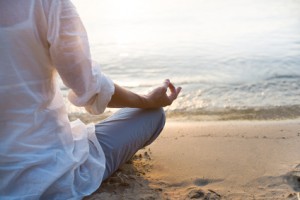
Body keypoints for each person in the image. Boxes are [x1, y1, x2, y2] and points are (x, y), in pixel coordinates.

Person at [0, 0, 181, 199]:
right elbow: (89, 89)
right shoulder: (47, 4)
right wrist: (147, 100)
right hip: (48, 175)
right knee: (152, 116)